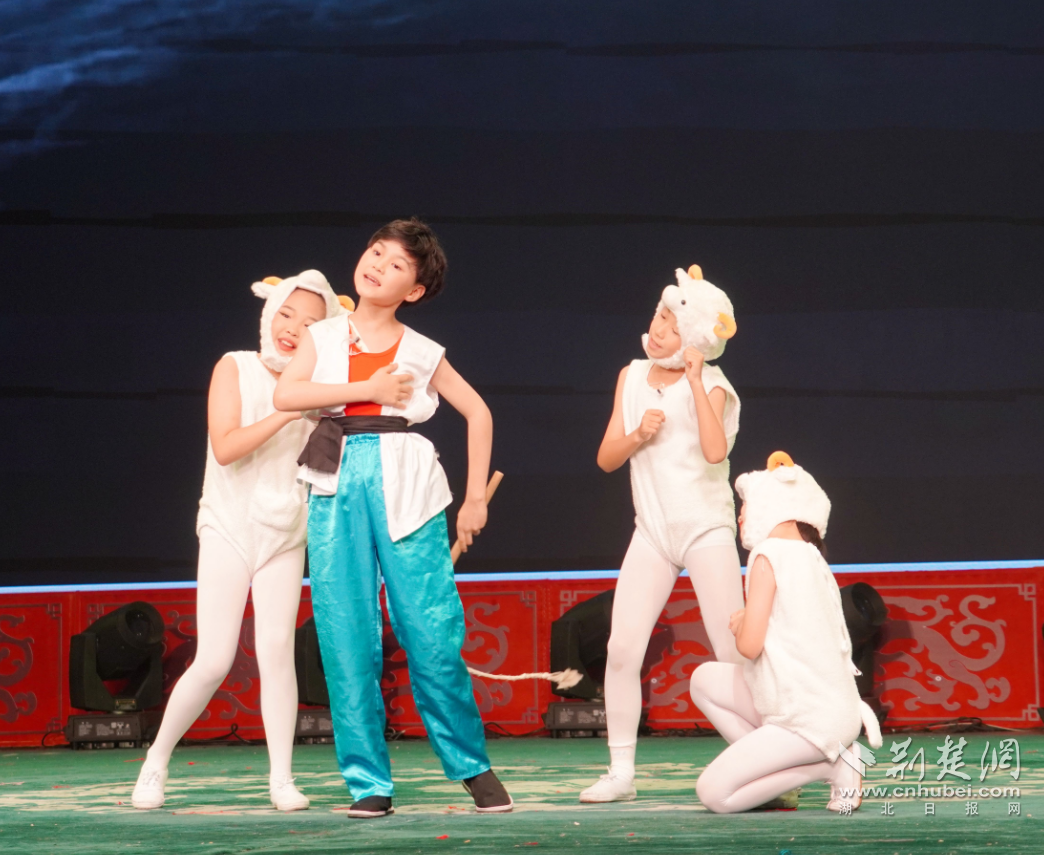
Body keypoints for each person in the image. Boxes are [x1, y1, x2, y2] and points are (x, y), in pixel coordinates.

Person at [274, 218, 512, 818]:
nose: (378, 265)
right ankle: (368, 782)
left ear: (416, 289)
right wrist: (367, 384)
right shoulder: (323, 335)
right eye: (376, 252)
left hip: (406, 479)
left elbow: (479, 413)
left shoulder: (423, 351)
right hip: (335, 475)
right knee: (345, 633)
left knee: (431, 630)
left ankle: (472, 766)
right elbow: (286, 395)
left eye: (397, 263)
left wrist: (475, 498)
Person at [132, 271, 348, 811]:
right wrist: (289, 408)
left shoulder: (320, 391)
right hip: (228, 524)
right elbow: (226, 448)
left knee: (277, 653)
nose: (292, 329)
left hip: (286, 532)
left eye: (310, 324)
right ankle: (156, 760)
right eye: (286, 315)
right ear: (269, 313)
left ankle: (282, 779)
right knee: (214, 659)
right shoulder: (235, 366)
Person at [580, 266, 745, 804]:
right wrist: (638, 434)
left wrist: (695, 382)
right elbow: (607, 458)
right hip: (651, 530)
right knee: (621, 648)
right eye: (658, 316)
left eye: (673, 326)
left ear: (695, 339)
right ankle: (621, 773)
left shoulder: (714, 385)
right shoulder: (630, 376)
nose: (658, 329)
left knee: (732, 650)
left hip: (706, 527)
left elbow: (715, 452)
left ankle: (763, 753)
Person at [689, 451, 882, 814]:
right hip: (827, 708)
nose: (740, 515)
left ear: (775, 505)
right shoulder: (811, 557)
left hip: (807, 720)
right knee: (704, 680)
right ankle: (785, 772)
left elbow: (749, 646)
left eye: (747, 505)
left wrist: (741, 624)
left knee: (715, 795)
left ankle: (831, 766)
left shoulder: (768, 554)